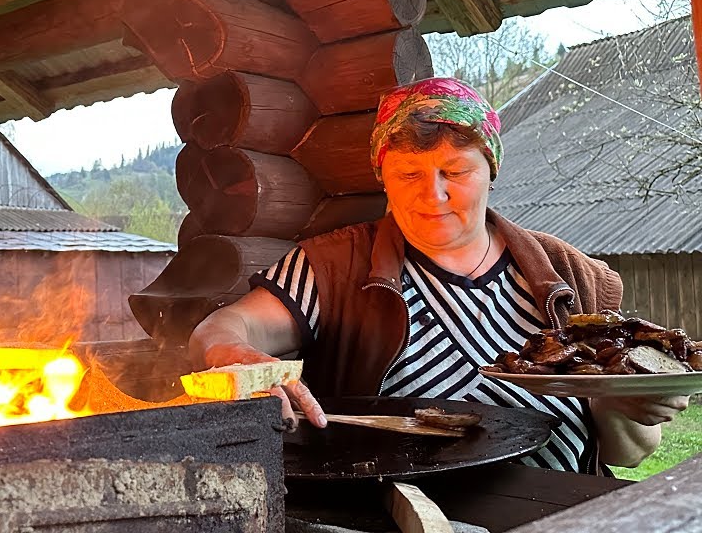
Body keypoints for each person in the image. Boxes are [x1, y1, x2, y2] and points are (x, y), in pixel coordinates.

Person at [189, 77, 689, 473]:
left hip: (560, 510)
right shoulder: (332, 266)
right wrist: (231, 354)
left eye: (455, 171)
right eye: (409, 174)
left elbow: (630, 455)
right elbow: (221, 329)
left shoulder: (571, 273)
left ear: (490, 169)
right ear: (382, 178)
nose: (434, 194)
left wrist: (630, 406)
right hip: (403, 515)